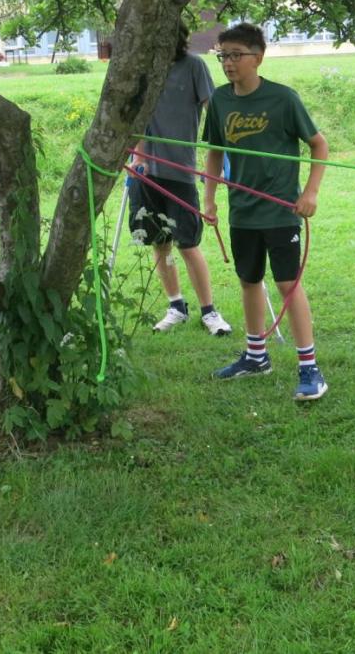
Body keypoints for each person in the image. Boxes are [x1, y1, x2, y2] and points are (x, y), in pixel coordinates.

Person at [202, 22, 330, 401]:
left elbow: (319, 145)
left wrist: (310, 192)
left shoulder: (282, 99)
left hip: (280, 210)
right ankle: (256, 356)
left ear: (258, 57)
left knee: (288, 284)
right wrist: (209, 199)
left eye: (236, 55)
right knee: (249, 280)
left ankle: (309, 367)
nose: (228, 63)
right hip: (242, 211)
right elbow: (213, 152)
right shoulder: (221, 101)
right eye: (223, 55)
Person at [130, 22, 232, 336]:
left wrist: (223, 159)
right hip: (147, 173)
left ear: (177, 39)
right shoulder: (143, 72)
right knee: (159, 243)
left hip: (181, 171)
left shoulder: (194, 67)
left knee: (188, 244)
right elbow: (136, 117)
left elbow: (213, 111)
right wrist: (138, 156)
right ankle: (176, 306)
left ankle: (209, 311)